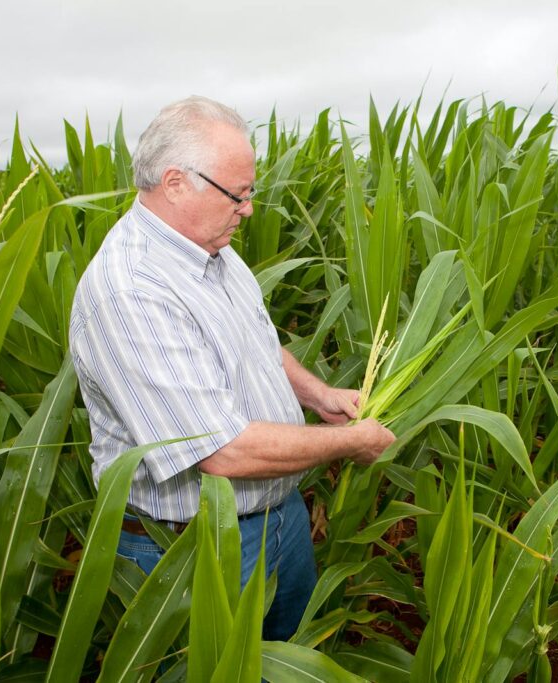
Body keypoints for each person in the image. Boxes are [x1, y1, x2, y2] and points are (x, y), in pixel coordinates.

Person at [68, 95, 395, 641]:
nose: (248, 210)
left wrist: (319, 396)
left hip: (278, 518)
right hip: (191, 547)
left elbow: (259, 344)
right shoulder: (130, 290)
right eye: (238, 194)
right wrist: (350, 442)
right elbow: (221, 450)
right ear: (176, 183)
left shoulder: (214, 249)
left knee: (288, 660)